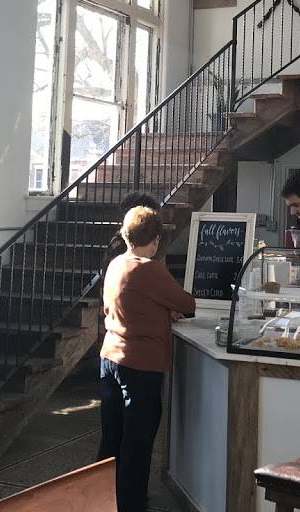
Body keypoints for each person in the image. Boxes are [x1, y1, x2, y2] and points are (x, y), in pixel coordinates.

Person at [98, 206, 195, 512]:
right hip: (140, 365)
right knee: (137, 442)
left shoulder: (116, 264)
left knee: (111, 438)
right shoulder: (150, 269)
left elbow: (120, 306)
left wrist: (160, 311)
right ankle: (131, 504)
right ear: (154, 240)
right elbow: (187, 303)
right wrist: (168, 309)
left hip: (110, 358)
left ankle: (102, 500)